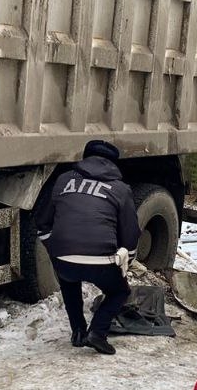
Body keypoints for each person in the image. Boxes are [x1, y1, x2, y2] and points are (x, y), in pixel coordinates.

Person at [36, 140, 141, 355]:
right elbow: (130, 233)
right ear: (113, 163)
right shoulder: (121, 189)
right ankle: (97, 333)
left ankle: (77, 332)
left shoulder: (63, 180)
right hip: (101, 261)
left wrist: (55, 251)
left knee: (68, 281)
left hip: (65, 260)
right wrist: (126, 260)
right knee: (119, 291)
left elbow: (43, 223)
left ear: (84, 158)